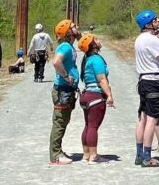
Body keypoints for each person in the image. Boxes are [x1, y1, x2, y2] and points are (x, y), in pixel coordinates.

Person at [134, 9, 159, 167]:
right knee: (152, 119)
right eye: (155, 20)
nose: (157, 22)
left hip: (143, 80)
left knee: (142, 117)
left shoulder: (138, 39)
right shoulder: (152, 40)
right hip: (154, 81)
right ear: (148, 23)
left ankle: (139, 154)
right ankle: (147, 157)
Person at [78, 33, 114, 163]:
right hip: (96, 96)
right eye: (96, 39)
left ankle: (86, 154)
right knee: (93, 126)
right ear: (92, 45)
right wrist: (109, 95)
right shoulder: (97, 59)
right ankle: (94, 156)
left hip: (86, 95)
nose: (99, 41)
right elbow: (102, 79)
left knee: (88, 125)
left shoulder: (87, 59)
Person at [49, 19, 80, 165]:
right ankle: (55, 155)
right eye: (73, 26)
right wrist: (67, 77)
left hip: (67, 90)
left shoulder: (69, 46)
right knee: (60, 122)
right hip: (62, 90)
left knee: (63, 121)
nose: (76, 27)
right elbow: (56, 62)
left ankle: (58, 151)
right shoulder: (65, 47)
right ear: (68, 31)